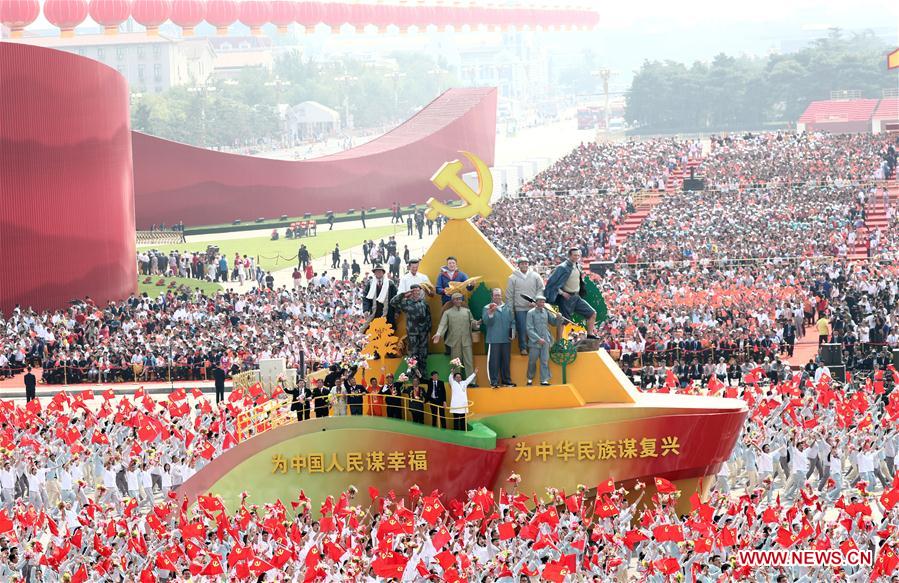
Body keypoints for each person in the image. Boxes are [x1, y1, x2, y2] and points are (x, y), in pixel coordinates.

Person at [544, 247, 598, 338]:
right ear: (569, 256)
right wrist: (561, 293)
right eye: (575, 255)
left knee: (592, 313)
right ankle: (559, 342)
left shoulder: (578, 266)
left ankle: (590, 334)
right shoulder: (562, 267)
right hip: (566, 297)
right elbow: (551, 283)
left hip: (576, 296)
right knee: (563, 321)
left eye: (578, 255)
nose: (577, 257)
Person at [432, 293, 477, 386]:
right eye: (456, 299)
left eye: (460, 299)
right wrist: (438, 334)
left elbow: (472, 321)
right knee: (456, 362)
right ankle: (457, 382)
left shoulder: (467, 311)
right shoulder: (447, 312)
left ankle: (472, 382)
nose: (458, 301)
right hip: (455, 341)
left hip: (466, 340)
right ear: (452, 301)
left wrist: (476, 323)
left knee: (469, 361)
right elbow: (442, 325)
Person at [389, 284, 432, 379]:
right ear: (411, 292)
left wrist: (429, 331)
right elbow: (393, 302)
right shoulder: (406, 303)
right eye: (414, 291)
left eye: (418, 291)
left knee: (423, 353)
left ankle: (423, 372)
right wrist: (403, 294)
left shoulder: (424, 304)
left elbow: (428, 318)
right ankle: (413, 372)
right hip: (412, 332)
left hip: (423, 332)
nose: (416, 293)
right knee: (413, 353)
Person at [506, 257, 544, 355]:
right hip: (520, 308)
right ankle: (523, 348)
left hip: (533, 307)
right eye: (522, 263)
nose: (524, 265)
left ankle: (535, 346)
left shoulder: (535, 276)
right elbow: (509, 295)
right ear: (518, 265)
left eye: (526, 263)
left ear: (528, 264)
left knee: (535, 328)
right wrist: (511, 310)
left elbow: (541, 289)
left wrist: (536, 301)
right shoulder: (512, 278)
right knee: (522, 329)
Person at [482, 288, 515, 388]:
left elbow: (513, 321)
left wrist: (512, 332)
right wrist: (491, 313)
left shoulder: (508, 307)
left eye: (499, 295)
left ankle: (506, 381)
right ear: (492, 297)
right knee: (494, 362)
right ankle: (494, 382)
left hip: (506, 339)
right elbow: (486, 322)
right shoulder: (487, 308)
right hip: (494, 339)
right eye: (496, 295)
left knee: (506, 361)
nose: (498, 297)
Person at [526, 295, 559, 386]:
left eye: (543, 302)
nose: (542, 303)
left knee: (544, 360)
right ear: (536, 302)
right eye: (540, 302)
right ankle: (529, 378)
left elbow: (553, 322)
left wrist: (558, 318)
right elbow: (529, 328)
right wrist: (537, 339)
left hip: (546, 340)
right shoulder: (530, 313)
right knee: (532, 361)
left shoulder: (546, 312)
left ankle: (544, 380)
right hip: (534, 342)